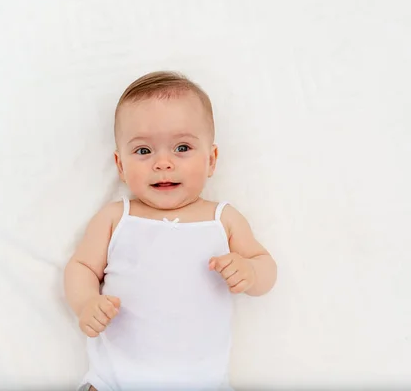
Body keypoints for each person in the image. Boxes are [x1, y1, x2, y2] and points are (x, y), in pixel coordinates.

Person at [63, 71, 277, 391]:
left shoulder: (223, 219)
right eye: (144, 151)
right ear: (121, 166)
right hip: (116, 379)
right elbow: (81, 266)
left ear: (211, 160)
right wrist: (86, 303)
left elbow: (266, 267)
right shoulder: (116, 217)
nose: (163, 163)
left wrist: (250, 270)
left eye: (181, 147)